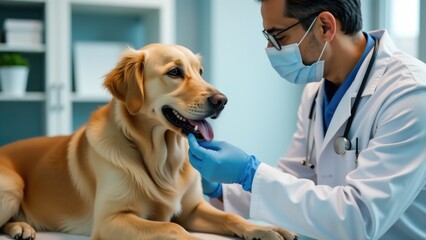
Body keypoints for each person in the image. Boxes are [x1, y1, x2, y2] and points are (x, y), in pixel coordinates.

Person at [187, 0, 426, 239]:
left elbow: (358, 219)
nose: (270, 48)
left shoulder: (411, 94)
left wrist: (248, 172)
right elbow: (296, 177)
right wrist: (221, 189)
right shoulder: (315, 93)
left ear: (325, 26)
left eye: (278, 36)